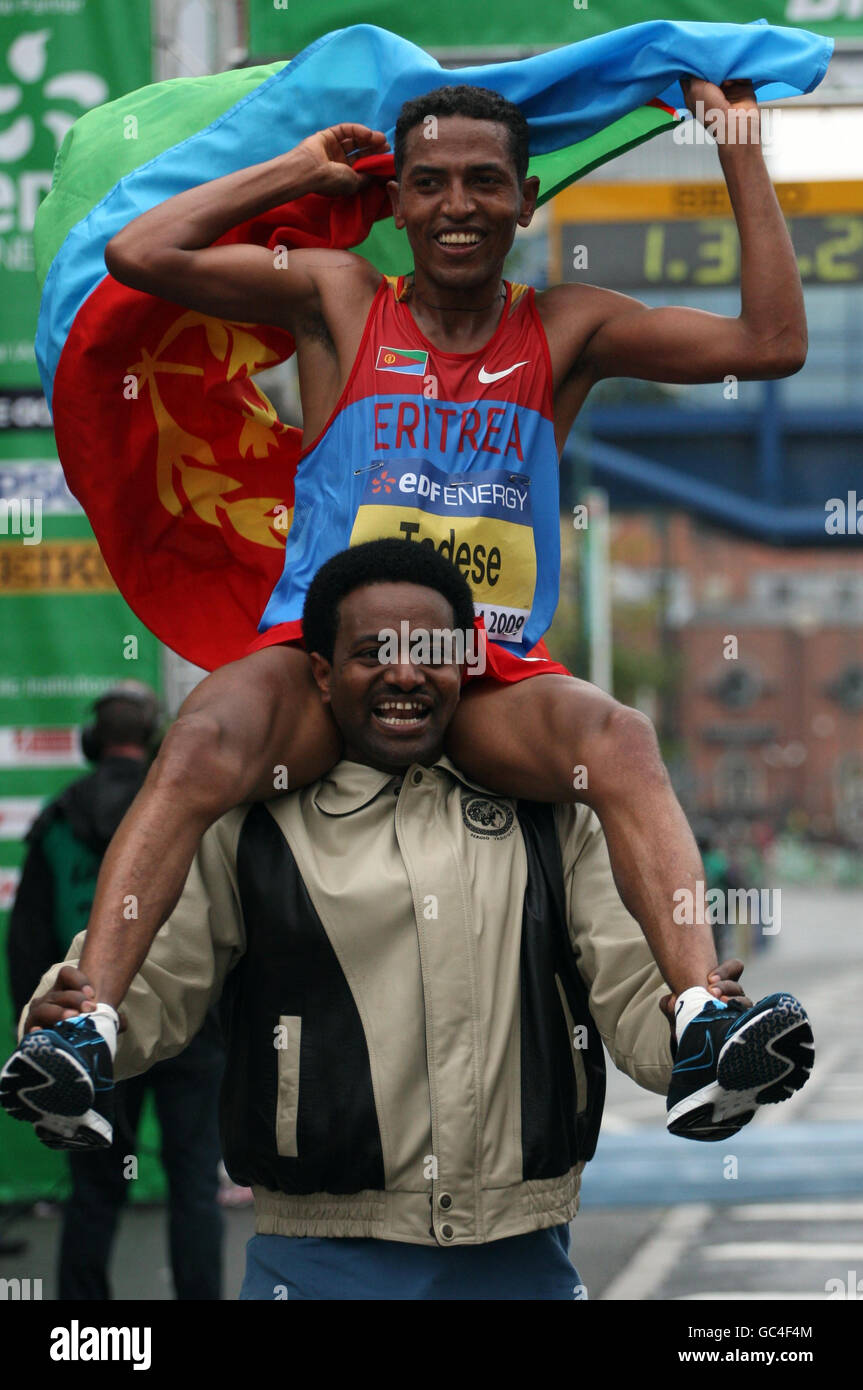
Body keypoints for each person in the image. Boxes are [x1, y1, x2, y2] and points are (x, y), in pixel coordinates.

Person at [0, 80, 809, 1146]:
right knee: (199, 739)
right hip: (318, 664)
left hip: (478, 670)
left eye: (483, 181)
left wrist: (738, 143)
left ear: (526, 198)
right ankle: (87, 1029)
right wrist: (297, 172)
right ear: (396, 201)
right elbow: (139, 254)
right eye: (425, 182)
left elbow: (769, 343)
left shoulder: (564, 327)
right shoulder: (338, 298)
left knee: (619, 738)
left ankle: (704, 1019)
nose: (455, 204)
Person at [11, 542, 813, 1300]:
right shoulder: (248, 820)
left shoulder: (555, 815)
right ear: (321, 674)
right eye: (371, 654)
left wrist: (684, 1031)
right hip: (318, 1262)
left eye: (428, 652)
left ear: (467, 661)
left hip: (523, 1256)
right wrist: (67, 1011)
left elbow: (630, 984)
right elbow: (156, 984)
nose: (404, 674)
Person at [4, 683, 224, 1299]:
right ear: (154, 741)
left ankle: (85, 1332)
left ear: (91, 742)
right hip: (193, 1031)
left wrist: (44, 1031)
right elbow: (222, 927)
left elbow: (26, 942)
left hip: (81, 1023)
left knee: (94, 1189)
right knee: (194, 1185)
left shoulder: (56, 818)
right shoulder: (185, 811)